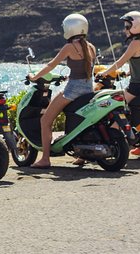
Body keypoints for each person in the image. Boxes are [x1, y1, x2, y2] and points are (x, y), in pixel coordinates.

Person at [28, 13, 96, 169]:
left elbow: (51, 65)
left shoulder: (69, 47)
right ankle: (81, 155)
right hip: (88, 89)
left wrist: (34, 77)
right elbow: (84, 70)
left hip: (72, 91)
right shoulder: (90, 46)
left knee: (45, 120)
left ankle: (45, 158)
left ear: (69, 29)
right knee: (75, 118)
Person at [100, 11, 140, 157]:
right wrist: (127, 73)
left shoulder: (135, 43)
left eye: (127, 26)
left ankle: (111, 139)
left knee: (113, 107)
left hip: (137, 87)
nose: (124, 29)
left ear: (135, 27)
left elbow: (120, 61)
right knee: (137, 113)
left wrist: (104, 73)